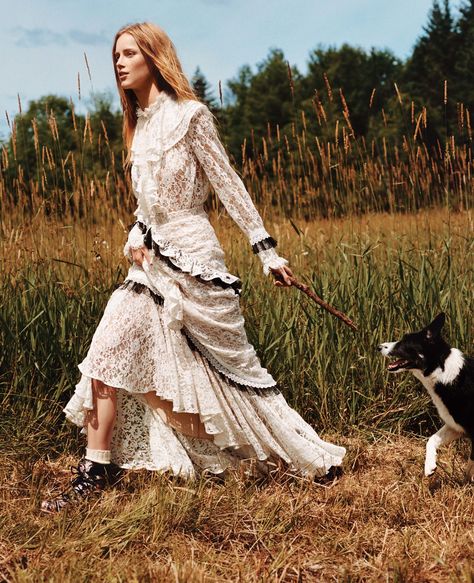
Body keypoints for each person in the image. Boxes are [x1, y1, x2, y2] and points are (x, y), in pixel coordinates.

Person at [41, 22, 346, 513]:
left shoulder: (191, 116)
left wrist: (267, 250)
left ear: (154, 57)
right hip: (148, 264)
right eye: (115, 55)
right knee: (108, 348)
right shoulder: (137, 127)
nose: (118, 63)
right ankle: (95, 470)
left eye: (127, 53)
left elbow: (228, 185)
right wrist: (136, 234)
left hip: (195, 260)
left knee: (219, 374)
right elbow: (147, 207)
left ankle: (256, 455)